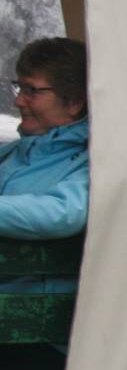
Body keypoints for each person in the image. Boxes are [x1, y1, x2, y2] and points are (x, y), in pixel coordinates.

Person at [1, 36, 89, 252]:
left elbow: (64, 213)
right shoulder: (10, 153)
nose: (19, 101)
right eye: (19, 88)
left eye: (31, 90)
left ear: (74, 102)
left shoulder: (92, 163)